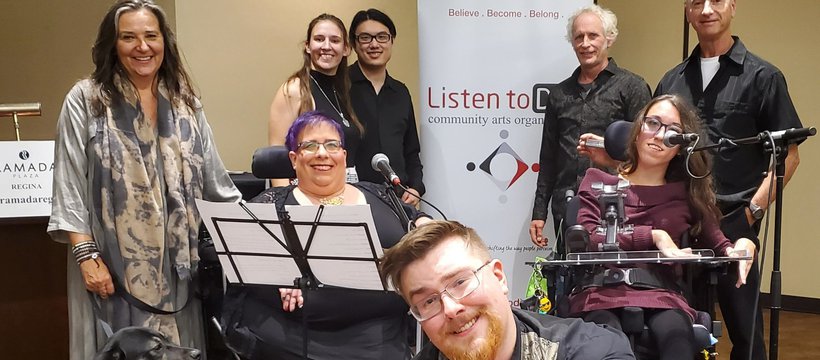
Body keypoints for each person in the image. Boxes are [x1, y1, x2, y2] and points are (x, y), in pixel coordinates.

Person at [46, 1, 242, 359]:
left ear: (164, 42)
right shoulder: (86, 100)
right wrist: (86, 255)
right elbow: (68, 186)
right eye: (129, 38)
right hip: (110, 265)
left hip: (178, 273)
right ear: (112, 44)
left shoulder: (186, 102)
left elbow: (218, 185)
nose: (142, 47)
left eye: (151, 36)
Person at [654, 1, 802, 359]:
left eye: (716, 1)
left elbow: (790, 156)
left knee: (746, 335)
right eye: (695, 2)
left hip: (736, 222)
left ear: (732, 7)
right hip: (682, 223)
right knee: (681, 327)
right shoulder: (672, 81)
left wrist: (751, 212)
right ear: (686, 12)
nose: (706, 9)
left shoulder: (763, 77)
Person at [221, 111, 428, 359]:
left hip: (381, 340)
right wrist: (278, 276)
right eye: (310, 145)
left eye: (332, 145)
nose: (322, 153)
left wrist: (424, 222)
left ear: (344, 155)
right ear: (294, 159)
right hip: (296, 342)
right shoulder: (269, 205)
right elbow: (243, 259)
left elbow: (413, 220)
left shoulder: (379, 194)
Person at [573, 95, 755, 360]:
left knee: (677, 339)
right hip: (601, 293)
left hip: (662, 295)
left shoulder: (686, 194)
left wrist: (743, 244)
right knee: (603, 344)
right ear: (637, 130)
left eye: (673, 131)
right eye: (653, 123)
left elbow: (722, 245)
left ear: (681, 145)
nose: (660, 135)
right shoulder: (597, 180)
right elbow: (591, 237)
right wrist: (655, 236)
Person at [380, 220, 637, 360]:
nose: (450, 308)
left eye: (460, 282)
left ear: (498, 277)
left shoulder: (589, 351)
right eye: (428, 301)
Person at [530, 5, 651, 249]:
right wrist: (539, 212)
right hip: (566, 206)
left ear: (609, 38)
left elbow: (647, 150)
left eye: (593, 35)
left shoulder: (632, 87)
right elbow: (549, 157)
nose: (585, 43)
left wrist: (607, 149)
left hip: (617, 205)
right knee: (569, 280)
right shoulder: (558, 94)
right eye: (579, 37)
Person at [268, 13, 364, 186]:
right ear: (307, 46)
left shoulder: (343, 91)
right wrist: (286, 206)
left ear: (346, 49)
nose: (326, 46)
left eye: (335, 41)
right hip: (307, 199)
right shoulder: (293, 90)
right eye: (319, 39)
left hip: (346, 196)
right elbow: (277, 162)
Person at [348, 8, 425, 206]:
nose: (374, 44)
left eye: (382, 37)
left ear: (391, 41)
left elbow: (411, 151)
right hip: (351, 199)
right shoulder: (340, 87)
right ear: (354, 44)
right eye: (365, 38)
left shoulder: (400, 92)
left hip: (398, 200)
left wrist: (416, 187)